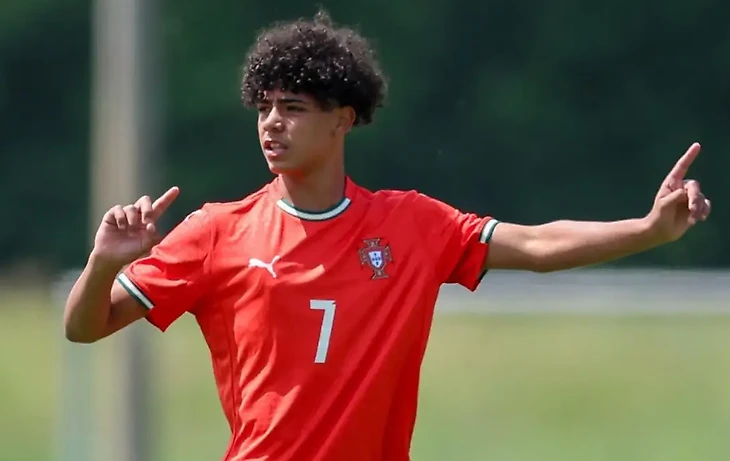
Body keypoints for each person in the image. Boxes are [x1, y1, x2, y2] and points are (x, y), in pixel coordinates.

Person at [63, 10, 712, 461]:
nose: (271, 123)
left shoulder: (411, 224)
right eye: (264, 107)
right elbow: (85, 326)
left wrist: (648, 230)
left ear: (343, 119)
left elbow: (538, 245)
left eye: (293, 108)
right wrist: (102, 263)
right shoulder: (217, 230)